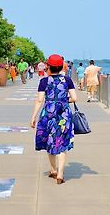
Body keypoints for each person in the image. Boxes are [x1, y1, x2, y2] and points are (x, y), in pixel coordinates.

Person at [30, 54, 77, 185]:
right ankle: (60, 174)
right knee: (61, 143)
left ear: (48, 67)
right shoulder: (67, 80)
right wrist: (62, 101)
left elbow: (39, 100)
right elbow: (74, 98)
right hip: (64, 115)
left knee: (50, 141)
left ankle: (53, 170)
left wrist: (33, 116)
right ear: (61, 67)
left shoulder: (44, 81)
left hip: (48, 114)